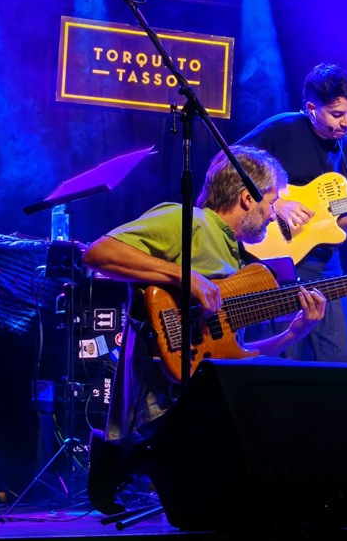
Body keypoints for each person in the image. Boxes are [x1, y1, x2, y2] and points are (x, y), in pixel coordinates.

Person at [81, 145, 327, 514]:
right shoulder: (187, 221)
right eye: (271, 201)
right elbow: (97, 254)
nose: (273, 214)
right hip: (167, 406)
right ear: (247, 198)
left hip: (205, 401)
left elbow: (230, 356)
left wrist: (293, 334)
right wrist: (184, 276)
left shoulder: (234, 256)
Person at [236, 62, 347, 363]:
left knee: (338, 362)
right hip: (276, 264)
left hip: (325, 268)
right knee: (280, 360)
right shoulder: (281, 129)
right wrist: (274, 203)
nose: (346, 122)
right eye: (337, 114)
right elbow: (227, 163)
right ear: (311, 107)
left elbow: (339, 228)